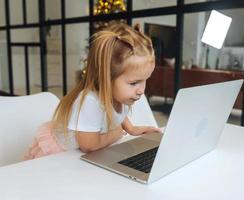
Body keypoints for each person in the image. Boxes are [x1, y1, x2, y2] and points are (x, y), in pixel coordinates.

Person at [24, 22, 161, 159]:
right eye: (134, 83)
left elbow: (116, 113)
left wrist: (131, 128)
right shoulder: (91, 102)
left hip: (78, 156)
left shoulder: (119, 96)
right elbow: (89, 145)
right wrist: (117, 132)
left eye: (145, 80)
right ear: (107, 77)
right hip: (59, 154)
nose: (142, 90)